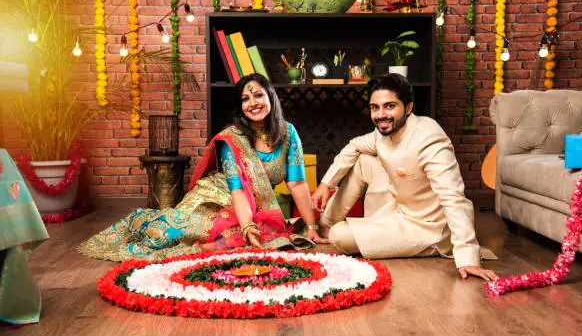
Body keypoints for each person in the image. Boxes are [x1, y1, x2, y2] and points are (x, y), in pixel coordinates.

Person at [80, 73, 328, 262]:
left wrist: (312, 227)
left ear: (271, 97)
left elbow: (296, 183)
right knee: (176, 235)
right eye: (245, 98)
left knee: (240, 241)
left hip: (257, 205)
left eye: (259, 95)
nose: (253, 103)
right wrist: (248, 226)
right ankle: (143, 223)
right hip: (217, 197)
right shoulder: (233, 138)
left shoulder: (288, 133)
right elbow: (238, 189)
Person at [310, 74, 497, 281]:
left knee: (340, 236)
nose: (381, 115)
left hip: (427, 226)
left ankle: (335, 232)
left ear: (408, 108)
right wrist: (326, 184)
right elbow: (354, 145)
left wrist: (468, 257)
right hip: (400, 206)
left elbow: (453, 198)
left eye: (390, 106)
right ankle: (324, 226)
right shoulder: (382, 133)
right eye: (375, 108)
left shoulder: (429, 138)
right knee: (363, 161)